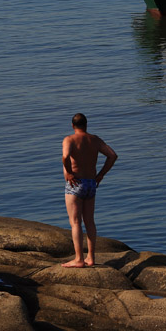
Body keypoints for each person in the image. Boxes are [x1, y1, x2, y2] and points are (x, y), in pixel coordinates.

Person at [61, 113, 117, 268]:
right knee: (90, 221)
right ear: (86, 125)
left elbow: (65, 157)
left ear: (73, 126)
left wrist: (69, 172)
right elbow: (112, 155)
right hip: (91, 183)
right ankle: (91, 257)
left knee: (76, 222)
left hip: (76, 183)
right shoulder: (95, 140)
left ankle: (79, 259)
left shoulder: (69, 140)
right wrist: (100, 175)